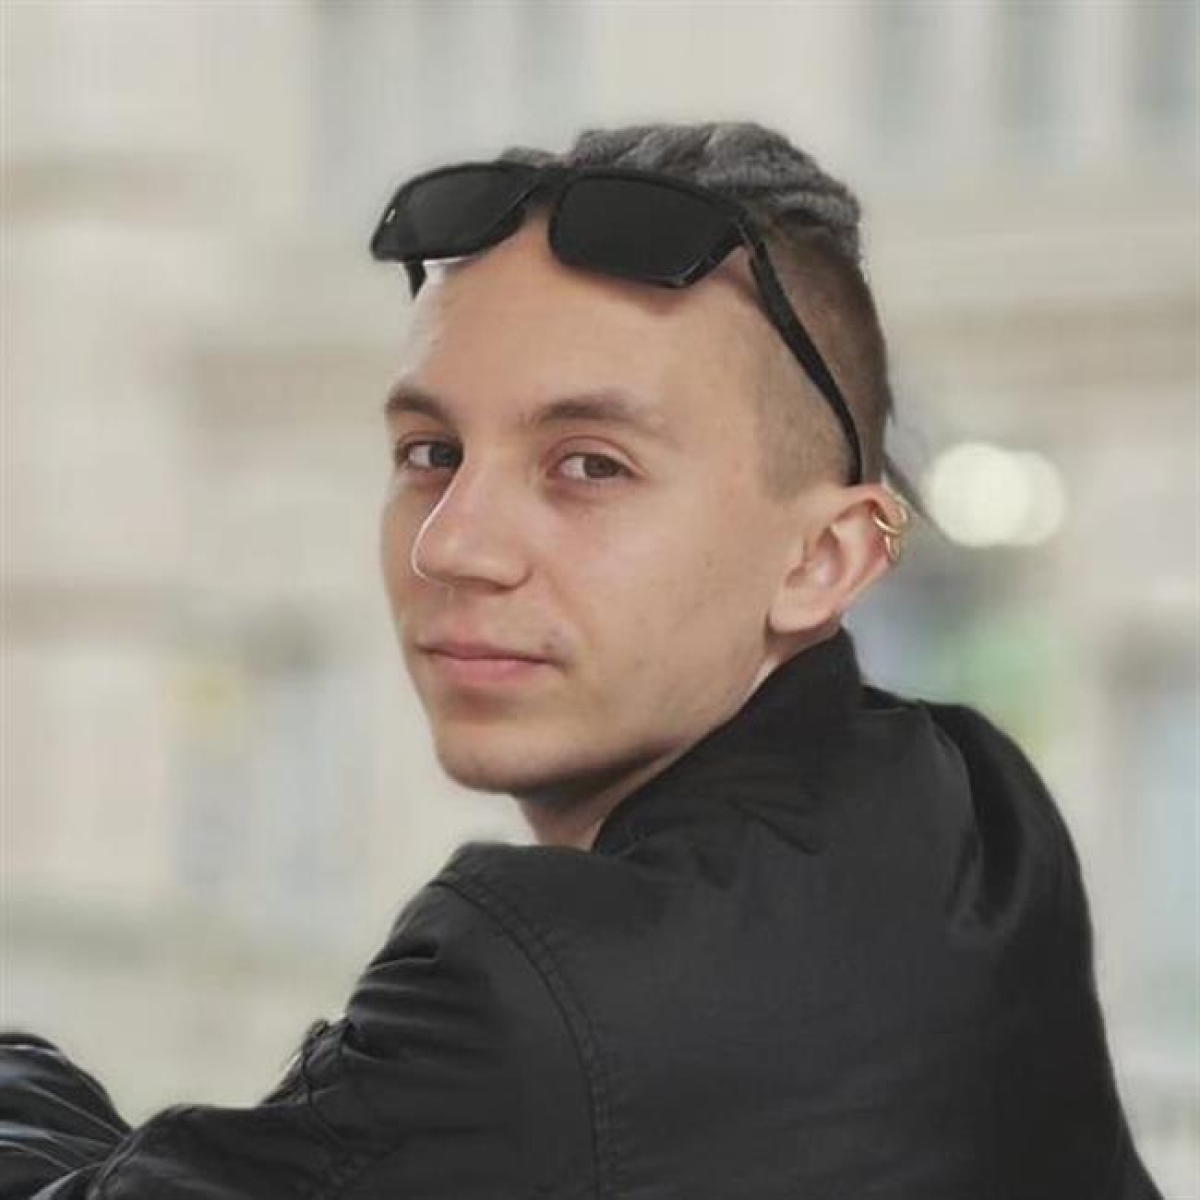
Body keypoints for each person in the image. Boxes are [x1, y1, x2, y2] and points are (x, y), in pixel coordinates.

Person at [0, 121, 1163, 1199]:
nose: (452, 544)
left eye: (591, 465)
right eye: (430, 450)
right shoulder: (973, 808)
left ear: (822, 559)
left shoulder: (538, 988)